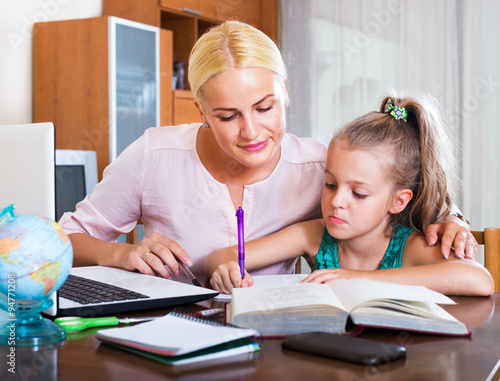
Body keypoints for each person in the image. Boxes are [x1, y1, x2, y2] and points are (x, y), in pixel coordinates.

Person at [59, 21, 476, 286]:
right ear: (201, 111)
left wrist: (451, 219)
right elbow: (65, 240)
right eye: (227, 116)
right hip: (160, 330)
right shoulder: (154, 154)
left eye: (264, 108)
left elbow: (402, 189)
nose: (252, 132)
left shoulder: (320, 168)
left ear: (286, 95)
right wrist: (121, 252)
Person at [204, 94, 494, 296]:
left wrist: (359, 279)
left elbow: (478, 279)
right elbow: (219, 257)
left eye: (358, 193)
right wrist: (225, 269)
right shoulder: (315, 236)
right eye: (330, 184)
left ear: (398, 201)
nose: (337, 201)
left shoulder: (408, 246)